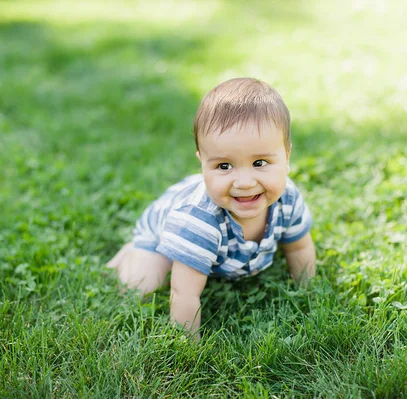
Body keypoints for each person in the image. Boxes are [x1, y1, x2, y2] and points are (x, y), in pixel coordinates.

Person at [107, 77, 316, 338]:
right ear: (203, 163)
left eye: (260, 162)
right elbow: (184, 293)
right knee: (141, 285)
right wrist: (188, 348)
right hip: (162, 231)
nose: (244, 182)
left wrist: (308, 292)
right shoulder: (199, 219)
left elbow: (299, 247)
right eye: (224, 166)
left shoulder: (288, 198)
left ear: (286, 157)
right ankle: (132, 252)